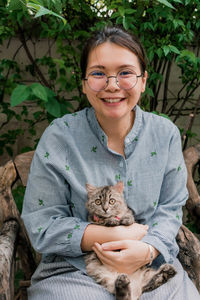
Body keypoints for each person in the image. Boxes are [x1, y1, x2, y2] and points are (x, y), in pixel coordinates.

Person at [22, 26, 200, 299]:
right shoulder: (59, 137)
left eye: (125, 73)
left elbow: (170, 208)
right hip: (74, 269)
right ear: (83, 82)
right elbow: (42, 223)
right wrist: (115, 236)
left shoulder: (164, 135)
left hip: (150, 265)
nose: (112, 85)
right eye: (98, 73)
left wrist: (148, 249)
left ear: (142, 81)